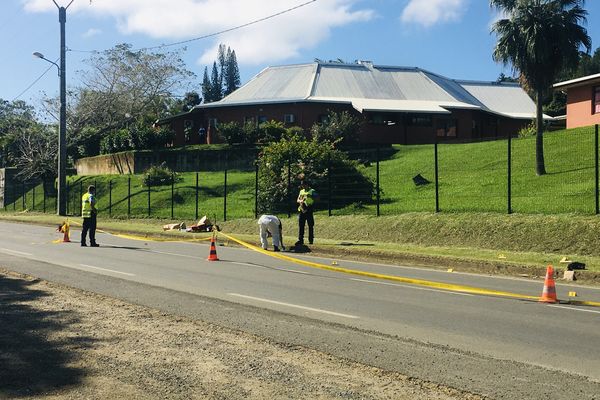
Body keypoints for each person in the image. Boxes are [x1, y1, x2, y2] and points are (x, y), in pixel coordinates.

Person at [296, 180, 317, 246]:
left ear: (307, 184)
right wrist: (301, 201)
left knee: (310, 225)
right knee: (301, 225)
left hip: (309, 209)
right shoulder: (301, 191)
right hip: (302, 209)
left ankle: (311, 240)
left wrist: (310, 198)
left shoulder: (312, 191)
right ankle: (300, 240)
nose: (303, 187)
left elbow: (317, 198)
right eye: (302, 185)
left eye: (304, 185)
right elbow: (297, 199)